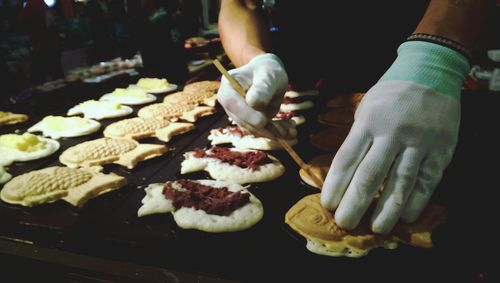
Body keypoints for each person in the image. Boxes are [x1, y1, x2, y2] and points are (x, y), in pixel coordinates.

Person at [216, 0, 496, 234]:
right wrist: (254, 58)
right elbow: (239, 3)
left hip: (415, 72)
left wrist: (434, 57)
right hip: (303, 79)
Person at [134, 0, 190, 84]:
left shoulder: (156, 23)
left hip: (166, 76)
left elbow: (150, 54)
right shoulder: (170, 17)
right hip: (180, 71)